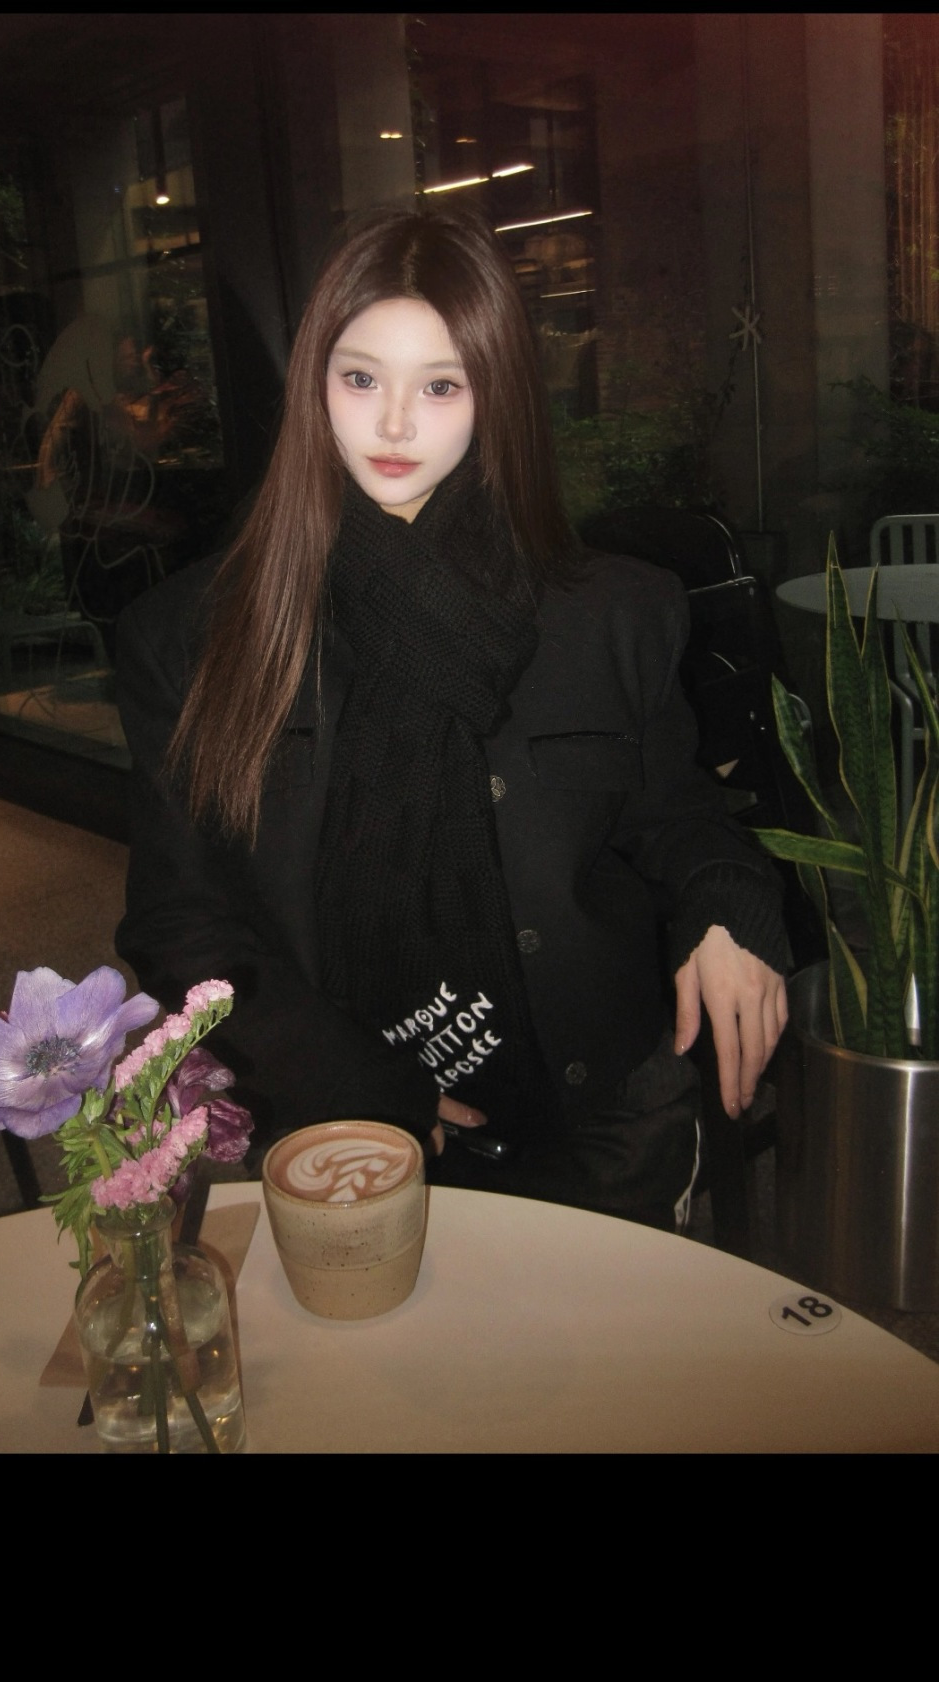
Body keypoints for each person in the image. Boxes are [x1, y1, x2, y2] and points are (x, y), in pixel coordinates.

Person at [115, 204, 789, 1232]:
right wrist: (356, 1084)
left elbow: (674, 813)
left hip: (601, 1111)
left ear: (497, 393)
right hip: (342, 1124)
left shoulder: (614, 610)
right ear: (314, 385)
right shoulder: (194, 636)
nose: (394, 425)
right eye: (361, 379)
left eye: (441, 385)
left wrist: (729, 905)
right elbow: (179, 920)